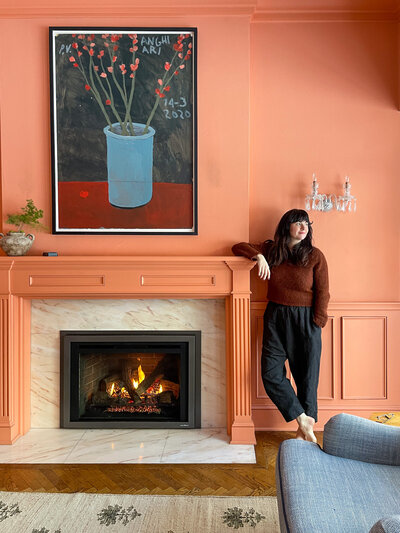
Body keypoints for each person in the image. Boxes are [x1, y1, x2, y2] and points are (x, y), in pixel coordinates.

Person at [232, 209, 329, 442]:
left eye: (306, 223)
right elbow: (238, 247)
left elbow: (323, 291)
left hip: (306, 319)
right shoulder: (271, 250)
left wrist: (318, 321)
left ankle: (303, 429)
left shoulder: (315, 255)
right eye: (298, 223)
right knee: (270, 373)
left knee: (307, 377)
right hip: (275, 315)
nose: (303, 227)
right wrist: (259, 256)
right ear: (287, 226)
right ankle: (301, 418)